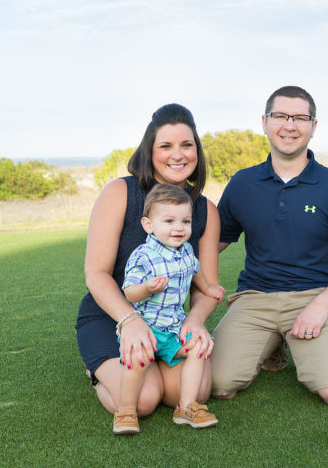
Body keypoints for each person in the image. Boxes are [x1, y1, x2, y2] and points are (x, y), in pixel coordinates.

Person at [210, 85, 328, 406]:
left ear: (313, 126)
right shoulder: (243, 183)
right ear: (265, 122)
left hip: (315, 297)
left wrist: (321, 305)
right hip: (255, 297)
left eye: (300, 117)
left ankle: (291, 339)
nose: (290, 125)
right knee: (216, 385)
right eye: (281, 116)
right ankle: (274, 341)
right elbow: (215, 243)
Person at [76, 103, 222, 432]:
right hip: (112, 315)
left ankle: (151, 364)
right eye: (165, 146)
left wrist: (195, 321)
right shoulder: (120, 193)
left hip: (167, 321)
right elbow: (96, 274)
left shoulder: (205, 211)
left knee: (195, 391)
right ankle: (96, 368)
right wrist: (129, 319)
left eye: (187, 145)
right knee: (144, 399)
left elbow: (207, 287)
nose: (178, 155)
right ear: (149, 150)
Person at [114, 183, 222, 433]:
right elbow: (129, 291)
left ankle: (186, 406)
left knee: (197, 346)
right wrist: (147, 288)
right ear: (148, 225)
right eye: (169, 221)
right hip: (146, 327)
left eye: (185, 221)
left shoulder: (185, 251)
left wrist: (208, 289)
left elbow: (196, 272)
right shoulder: (143, 256)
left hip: (174, 329)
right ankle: (126, 410)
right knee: (138, 356)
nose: (179, 228)